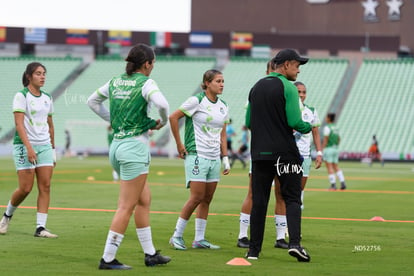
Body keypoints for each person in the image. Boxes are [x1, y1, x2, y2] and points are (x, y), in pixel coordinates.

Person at [87, 43, 171, 270]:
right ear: (147, 64)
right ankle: (107, 258)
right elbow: (163, 104)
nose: (153, 68)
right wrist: (162, 121)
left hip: (117, 146)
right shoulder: (146, 82)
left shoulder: (115, 81)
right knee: (125, 206)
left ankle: (150, 254)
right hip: (134, 149)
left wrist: (111, 120)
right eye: (153, 64)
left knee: (144, 200)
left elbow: (91, 101)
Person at [246, 48, 312, 262]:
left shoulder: (256, 87)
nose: (298, 70)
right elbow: (294, 121)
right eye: (297, 65)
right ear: (286, 65)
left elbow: (248, 123)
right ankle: (294, 244)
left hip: (259, 154)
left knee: (259, 201)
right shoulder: (289, 88)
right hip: (285, 154)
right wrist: (307, 126)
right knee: (292, 198)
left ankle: (253, 251)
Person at [169, 69, 231, 250]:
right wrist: (179, 144)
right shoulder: (197, 100)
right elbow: (173, 117)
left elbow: (223, 133)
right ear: (207, 83)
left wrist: (225, 157)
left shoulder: (223, 105)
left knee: (207, 199)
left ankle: (199, 239)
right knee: (196, 197)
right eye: (218, 81)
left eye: (223, 81)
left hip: (214, 157)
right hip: (197, 155)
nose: (221, 84)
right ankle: (176, 235)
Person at [0, 62, 58, 238]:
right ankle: (6, 216)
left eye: (44, 73)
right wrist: (29, 148)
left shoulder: (48, 97)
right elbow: (18, 124)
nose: (42, 77)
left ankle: (41, 228)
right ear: (29, 76)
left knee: (45, 186)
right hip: (25, 145)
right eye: (38, 73)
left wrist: (53, 149)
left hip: (45, 146)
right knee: (25, 188)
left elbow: (50, 125)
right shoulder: (21, 96)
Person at [237, 60, 289, 250]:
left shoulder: (283, 93)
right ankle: (243, 235)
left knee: (281, 194)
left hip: (279, 152)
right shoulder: (256, 94)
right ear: (268, 71)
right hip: (262, 151)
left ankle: (280, 237)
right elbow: (250, 122)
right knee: (253, 193)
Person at [292, 81, 323, 209]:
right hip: (288, 155)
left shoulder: (311, 111)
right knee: (287, 191)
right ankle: (285, 224)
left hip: (305, 155)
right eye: (299, 92)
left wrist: (319, 153)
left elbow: (315, 133)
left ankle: (294, 222)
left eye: (304, 92)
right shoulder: (285, 109)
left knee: (300, 190)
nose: (302, 95)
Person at [322, 113, 346, 190]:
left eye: (326, 117)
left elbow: (326, 140)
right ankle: (342, 183)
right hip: (335, 148)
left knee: (329, 167)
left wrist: (321, 150)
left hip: (328, 148)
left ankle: (333, 185)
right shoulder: (336, 127)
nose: (326, 118)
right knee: (336, 166)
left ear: (329, 118)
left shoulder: (327, 127)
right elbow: (339, 139)